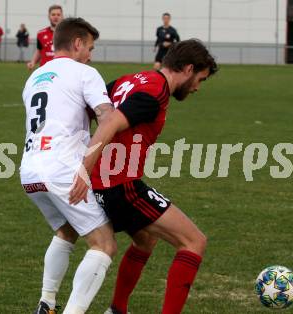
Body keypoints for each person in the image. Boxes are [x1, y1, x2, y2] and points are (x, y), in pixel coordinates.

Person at [70, 39, 218, 314]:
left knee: (145, 239)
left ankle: (117, 309)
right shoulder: (154, 92)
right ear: (187, 69)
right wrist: (84, 168)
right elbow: (111, 121)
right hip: (120, 185)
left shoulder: (133, 79)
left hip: (108, 182)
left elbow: (91, 107)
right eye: (200, 79)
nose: (197, 87)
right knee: (194, 242)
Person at [20, 17, 117, 314]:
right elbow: (108, 118)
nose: (91, 53)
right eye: (89, 46)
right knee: (104, 243)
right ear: (77, 43)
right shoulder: (84, 72)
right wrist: (87, 168)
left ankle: (46, 303)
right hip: (61, 168)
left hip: (29, 169)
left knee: (67, 231)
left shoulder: (34, 77)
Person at [27, 4, 63, 70]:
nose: (56, 17)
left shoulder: (68, 34)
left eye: (58, 15)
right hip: (45, 70)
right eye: (53, 14)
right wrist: (33, 62)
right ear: (49, 16)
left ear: (62, 16)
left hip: (61, 69)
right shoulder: (41, 33)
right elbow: (39, 50)